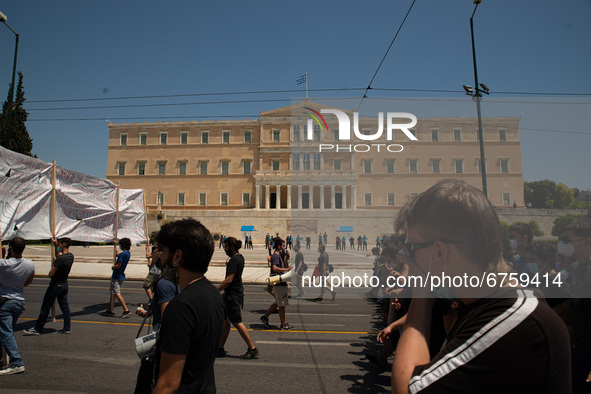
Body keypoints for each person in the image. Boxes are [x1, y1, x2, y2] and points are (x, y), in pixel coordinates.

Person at [391, 179, 571, 394]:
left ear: (439, 252)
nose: (406, 257)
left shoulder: (511, 320)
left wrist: (421, 294)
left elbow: (407, 389)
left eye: (412, 248)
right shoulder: (491, 305)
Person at [152, 218, 224, 393]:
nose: (159, 257)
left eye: (163, 250)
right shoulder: (213, 294)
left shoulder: (180, 307)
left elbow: (168, 385)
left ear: (177, 256)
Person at [559, 217, 591, 394]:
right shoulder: (577, 267)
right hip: (579, 347)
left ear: (587, 241)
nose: (562, 244)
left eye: (567, 240)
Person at [217, 237, 259, 360]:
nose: (225, 249)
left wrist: (216, 290)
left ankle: (252, 348)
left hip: (232, 295)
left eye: (225, 246)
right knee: (226, 322)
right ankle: (220, 348)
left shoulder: (234, 260)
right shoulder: (239, 258)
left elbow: (229, 279)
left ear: (231, 246)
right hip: (234, 294)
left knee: (236, 321)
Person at [24, 237, 74, 335]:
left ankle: (38, 328)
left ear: (63, 245)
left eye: (59, 244)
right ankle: (67, 328)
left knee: (46, 307)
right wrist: (55, 245)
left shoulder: (60, 259)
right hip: (64, 284)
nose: (59, 245)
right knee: (65, 307)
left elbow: (51, 274)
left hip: (55, 285)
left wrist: (52, 272)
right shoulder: (70, 256)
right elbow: (59, 254)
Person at [0, 237, 35, 375]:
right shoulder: (29, 264)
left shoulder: (3, 264)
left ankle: (17, 362)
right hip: (19, 301)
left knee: (5, 332)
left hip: (5, 302)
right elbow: (28, 281)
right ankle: (6, 354)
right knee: (6, 331)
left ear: (11, 248)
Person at [260, 238, 293, 330]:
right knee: (281, 305)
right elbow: (274, 268)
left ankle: (265, 317)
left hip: (281, 281)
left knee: (278, 302)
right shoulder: (275, 256)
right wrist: (286, 270)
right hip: (279, 282)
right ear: (279, 246)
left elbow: (281, 266)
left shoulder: (278, 255)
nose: (285, 247)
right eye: (283, 245)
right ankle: (283, 324)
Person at [101, 238, 132, 318]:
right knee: (113, 293)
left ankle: (126, 310)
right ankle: (110, 310)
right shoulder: (127, 253)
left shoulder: (122, 255)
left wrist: (113, 267)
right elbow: (118, 254)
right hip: (121, 276)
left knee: (116, 293)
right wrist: (115, 245)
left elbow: (119, 265)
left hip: (117, 276)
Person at [143, 234, 161, 302]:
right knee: (154, 287)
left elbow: (148, 256)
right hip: (157, 271)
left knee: (146, 285)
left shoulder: (156, 250)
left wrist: (147, 250)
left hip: (154, 272)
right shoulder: (160, 250)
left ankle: (151, 299)